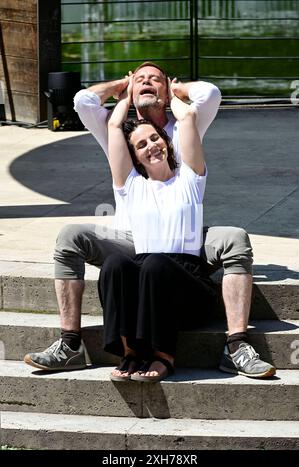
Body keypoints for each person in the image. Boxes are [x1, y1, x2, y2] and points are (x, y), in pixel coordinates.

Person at [24, 62, 275, 378]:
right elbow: (83, 103)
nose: (150, 146)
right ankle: (73, 345)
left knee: (232, 238)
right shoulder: (126, 160)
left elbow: (209, 94)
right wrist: (123, 87)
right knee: (82, 242)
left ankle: (236, 345)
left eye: (154, 79)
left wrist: (176, 91)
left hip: (183, 245)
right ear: (133, 153)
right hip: (132, 242)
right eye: (140, 79)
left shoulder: (183, 142)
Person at [99, 75, 216, 382]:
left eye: (154, 139)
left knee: (155, 263)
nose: (151, 146)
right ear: (134, 156)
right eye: (140, 145)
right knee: (115, 263)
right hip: (147, 275)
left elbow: (189, 115)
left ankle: (164, 355)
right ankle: (130, 351)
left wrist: (170, 93)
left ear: (166, 141)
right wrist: (126, 94)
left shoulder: (190, 180)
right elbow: (113, 126)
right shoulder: (132, 186)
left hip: (188, 282)